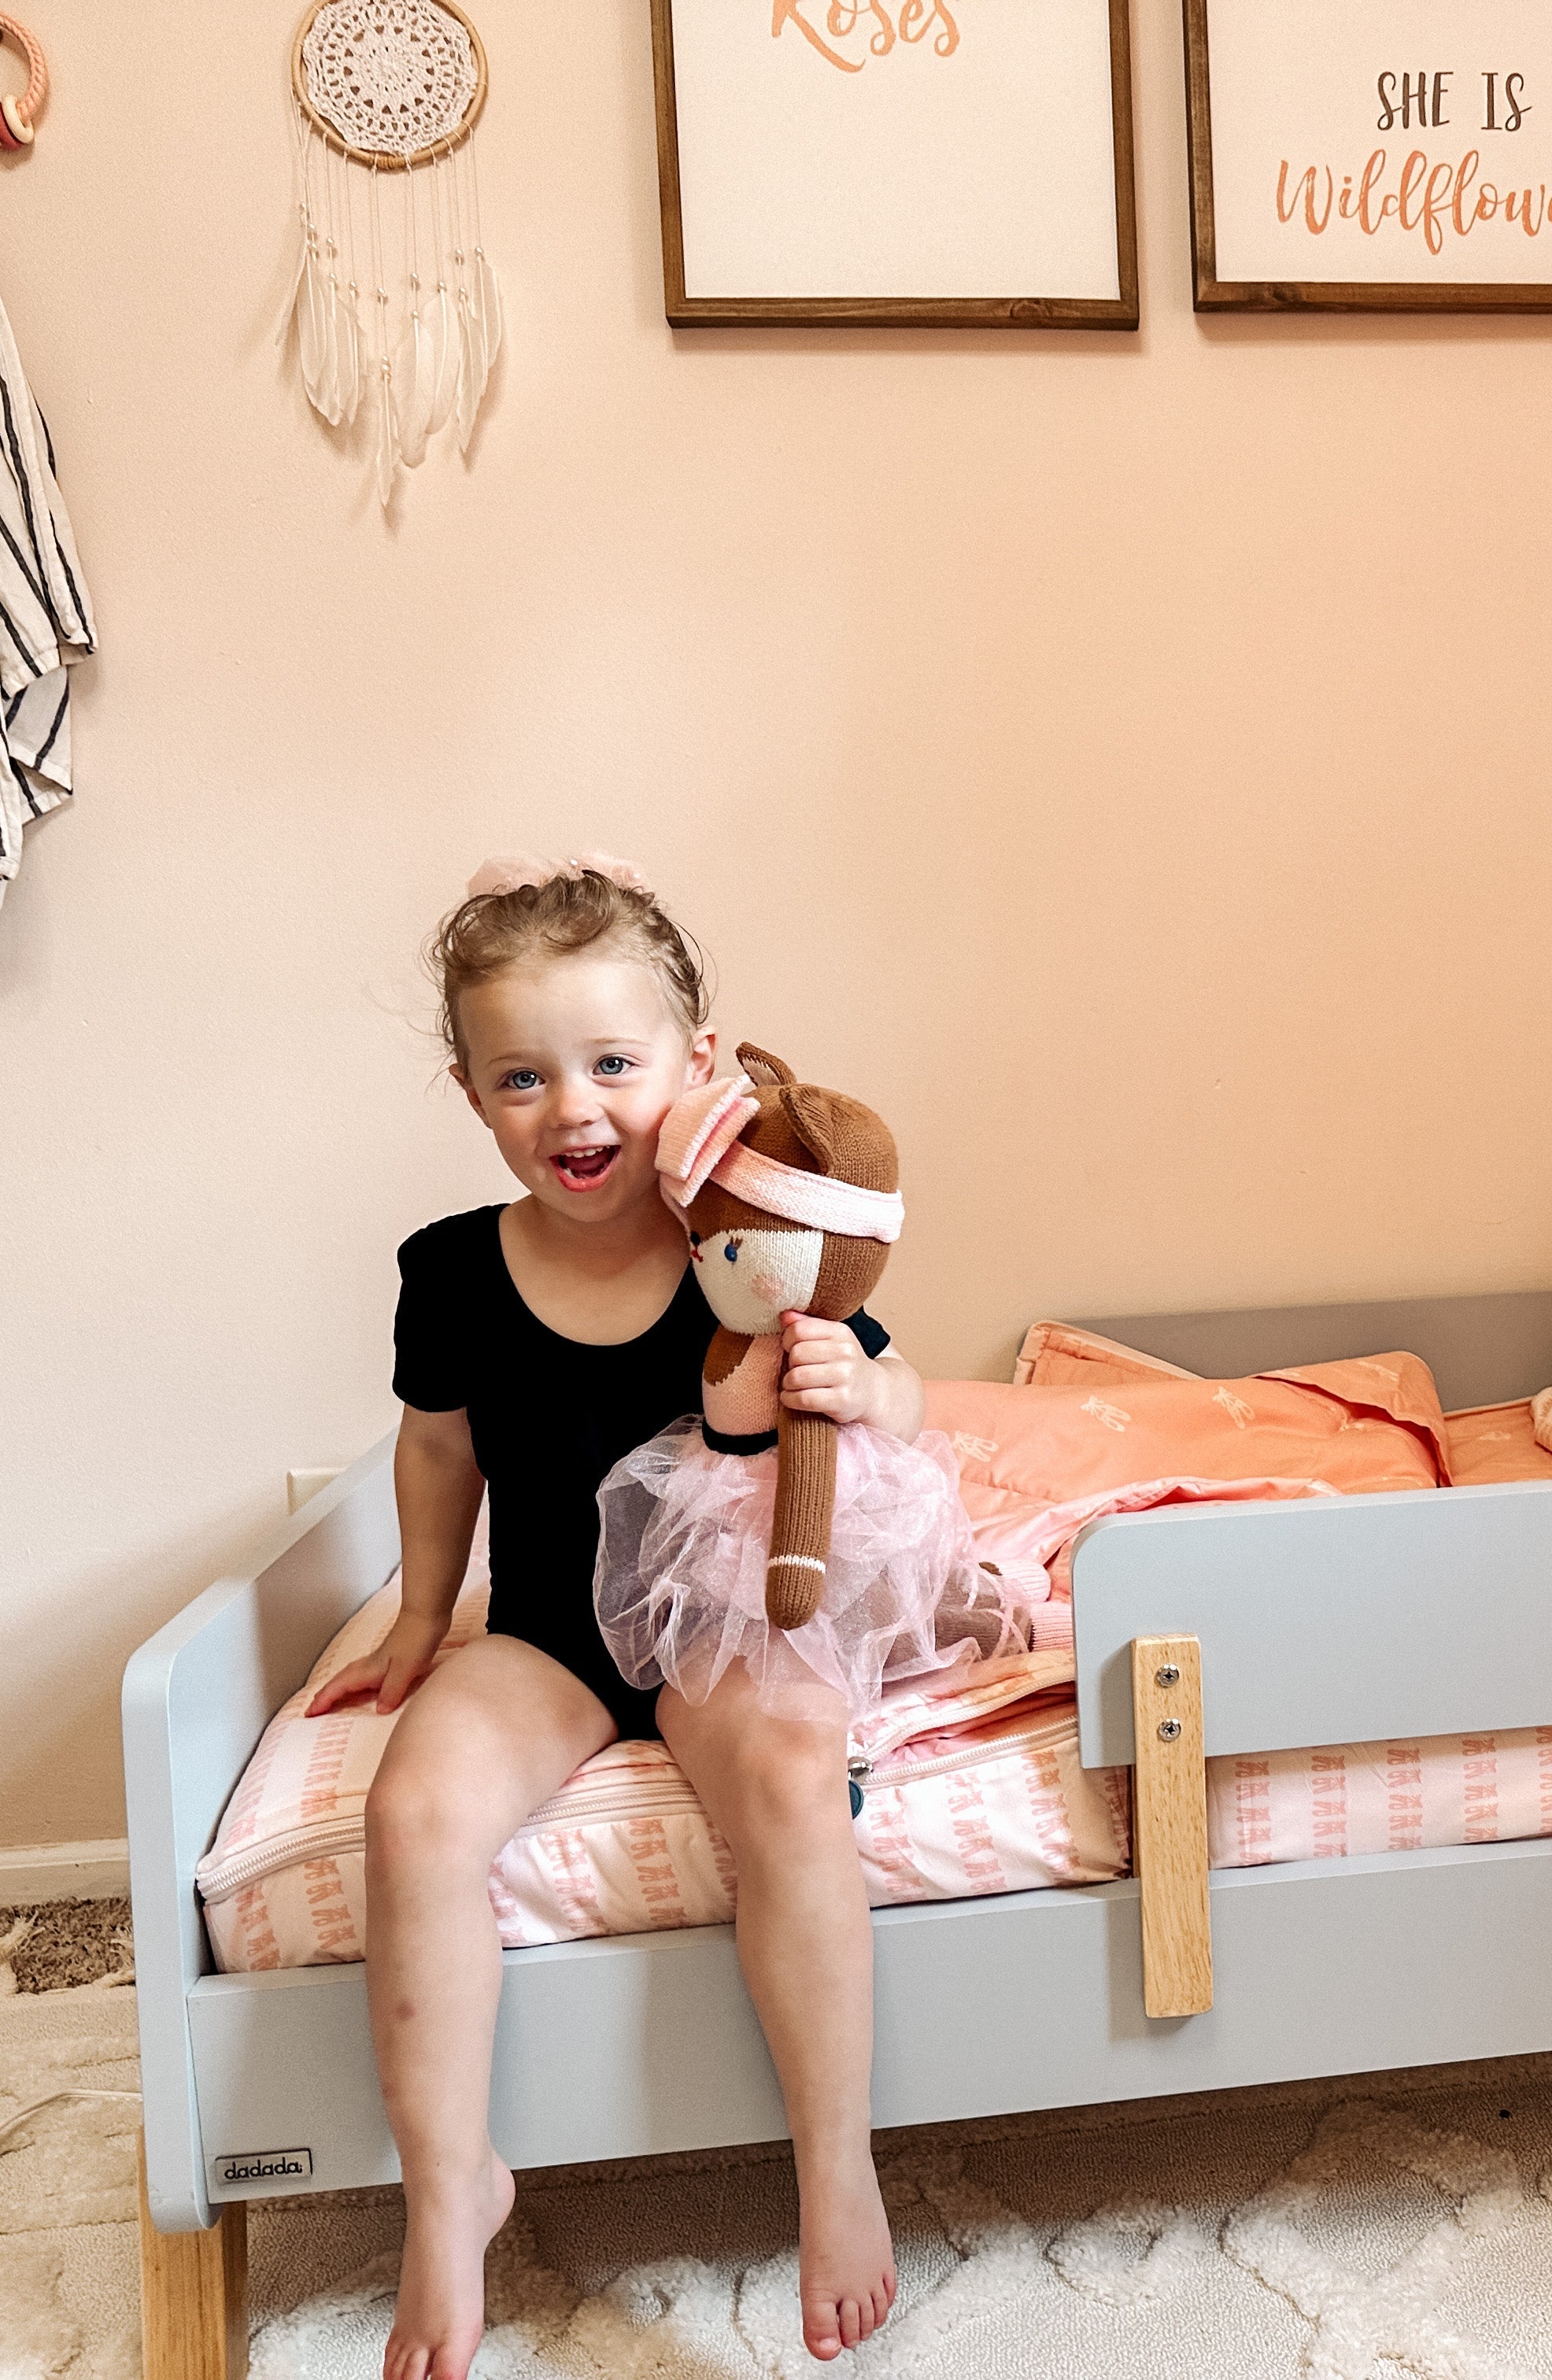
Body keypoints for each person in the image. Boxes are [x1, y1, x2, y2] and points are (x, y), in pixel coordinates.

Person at [309, 854, 918, 2377]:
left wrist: (865, 1385)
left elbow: (890, 1387)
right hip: (553, 1634)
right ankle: (452, 2193)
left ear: (697, 1067)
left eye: (614, 1066)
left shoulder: (753, 1238)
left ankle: (834, 2164)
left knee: (788, 1776)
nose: (573, 1110)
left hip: (717, 1621)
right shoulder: (450, 1269)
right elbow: (439, 1447)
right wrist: (414, 1624)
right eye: (523, 1076)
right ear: (470, 1093)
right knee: (415, 1813)